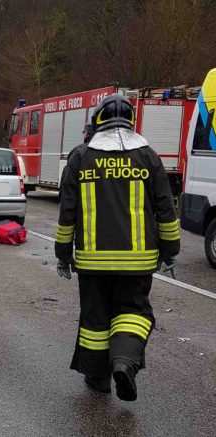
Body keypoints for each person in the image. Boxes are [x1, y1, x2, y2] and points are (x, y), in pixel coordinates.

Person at [55, 94, 180, 401]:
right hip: (138, 262)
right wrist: (170, 250)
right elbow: (165, 209)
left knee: (95, 319)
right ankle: (124, 362)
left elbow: (67, 212)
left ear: (97, 121)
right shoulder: (149, 157)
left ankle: (98, 378)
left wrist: (62, 255)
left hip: (92, 261)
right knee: (133, 312)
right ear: (131, 120)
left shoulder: (80, 158)